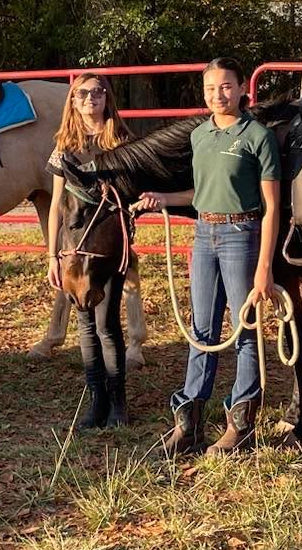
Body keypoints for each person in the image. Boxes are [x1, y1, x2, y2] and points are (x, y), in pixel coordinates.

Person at [135, 58, 281, 456]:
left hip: (241, 235)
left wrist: (264, 268)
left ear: (242, 89)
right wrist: (164, 198)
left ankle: (241, 423)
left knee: (244, 329)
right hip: (204, 235)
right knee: (200, 331)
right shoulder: (200, 135)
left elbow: (271, 207)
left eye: (226, 86)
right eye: (211, 88)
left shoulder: (258, 137)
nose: (219, 95)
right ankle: (190, 424)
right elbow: (199, 193)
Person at [46, 73, 135, 429]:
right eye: (82, 93)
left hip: (108, 249)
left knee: (107, 324)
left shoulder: (122, 141)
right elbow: (56, 205)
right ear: (73, 100)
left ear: (106, 98)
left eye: (98, 92)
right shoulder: (64, 146)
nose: (90, 98)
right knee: (84, 324)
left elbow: (133, 194)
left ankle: (118, 402)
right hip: (73, 250)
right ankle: (96, 400)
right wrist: (52, 256)